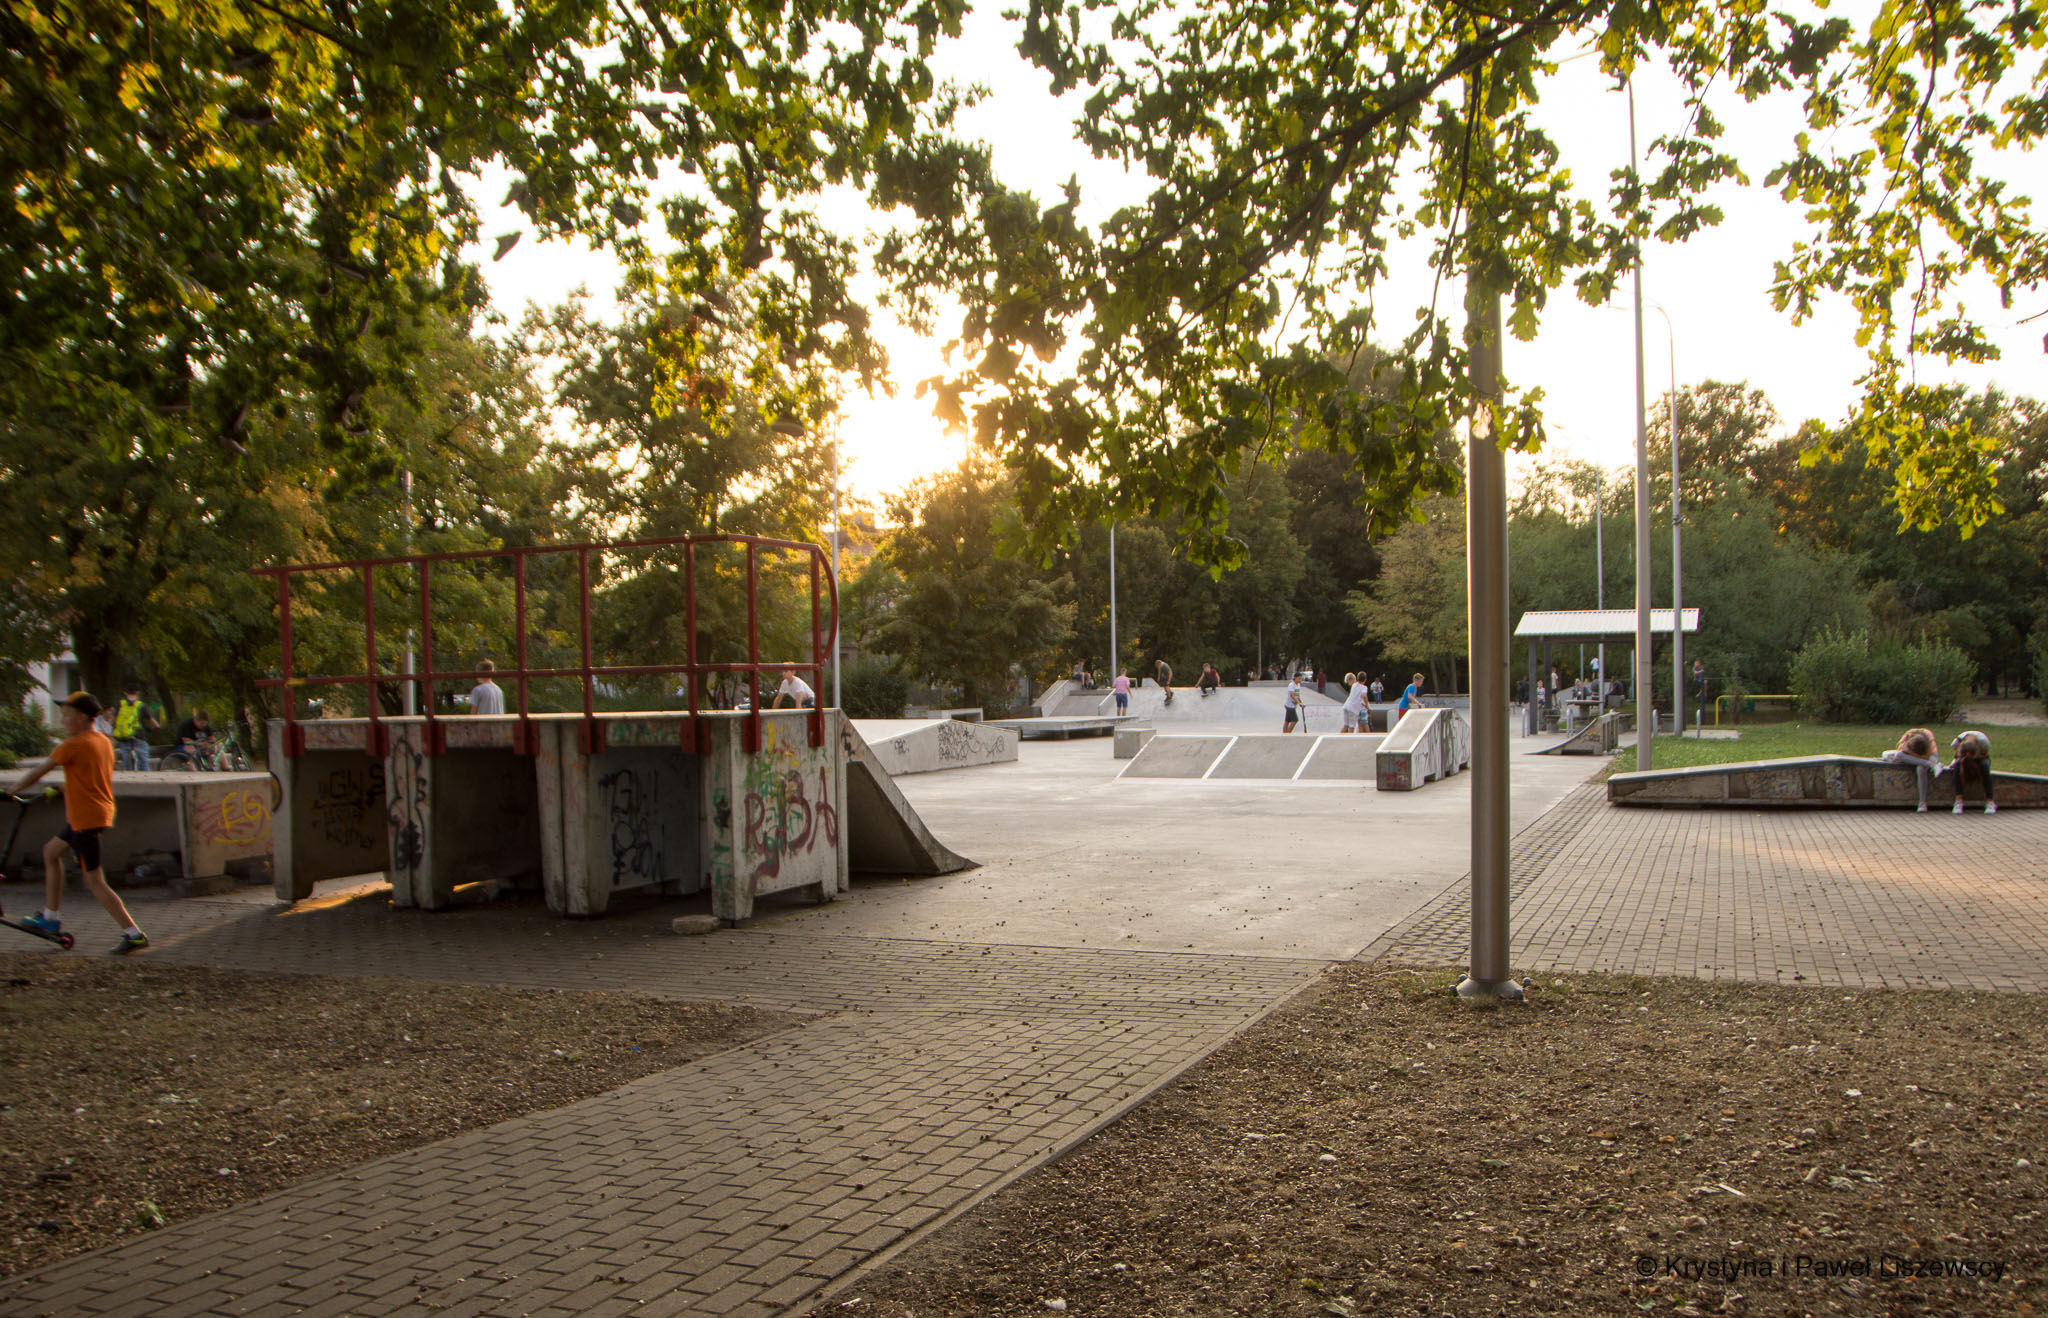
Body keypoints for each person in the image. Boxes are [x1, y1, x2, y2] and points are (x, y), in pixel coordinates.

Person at [10, 693, 148, 955]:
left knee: (94, 881)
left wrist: (10, 791)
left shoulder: (74, 744)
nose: (62, 721)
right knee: (50, 852)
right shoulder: (102, 742)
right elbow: (91, 776)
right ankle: (50, 917)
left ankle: (134, 934)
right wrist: (62, 788)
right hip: (93, 814)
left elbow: (37, 772)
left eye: (66, 715)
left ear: (83, 717)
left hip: (85, 819)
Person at [1883, 727, 1942, 812]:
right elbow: (1900, 751)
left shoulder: (1928, 737)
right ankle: (1932, 766)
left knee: (1921, 768)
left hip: (1925, 758)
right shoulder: (1908, 736)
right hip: (1916, 758)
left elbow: (1934, 756)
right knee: (1895, 755)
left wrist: (1924, 759)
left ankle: (1922, 802)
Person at [110, 682, 158, 771]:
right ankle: (146, 777)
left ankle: (128, 775)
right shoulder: (141, 705)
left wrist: (113, 729)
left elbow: (113, 720)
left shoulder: (121, 704)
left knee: (126, 759)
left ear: (125, 693)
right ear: (137, 693)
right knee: (143, 760)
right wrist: (156, 728)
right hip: (139, 736)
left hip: (124, 736)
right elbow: (152, 721)